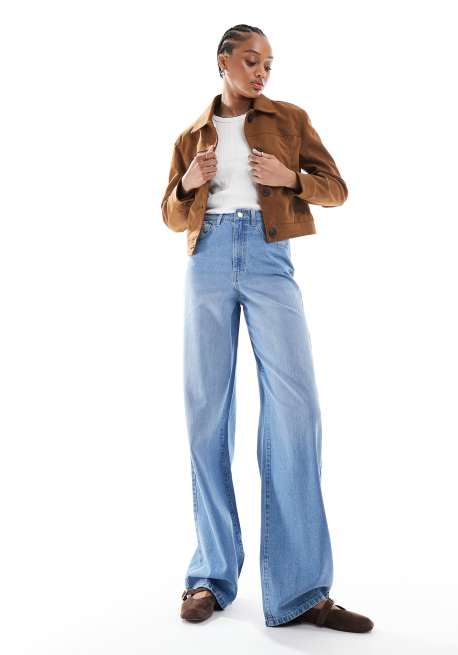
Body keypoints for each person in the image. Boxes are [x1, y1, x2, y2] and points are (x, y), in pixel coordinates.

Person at [161, 23, 374, 632]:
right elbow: (170, 214)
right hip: (206, 259)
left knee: (296, 410)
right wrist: (188, 183)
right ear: (223, 61)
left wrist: (291, 179)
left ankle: (300, 592)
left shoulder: (290, 119)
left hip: (267, 255)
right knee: (207, 412)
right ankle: (209, 576)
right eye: (251, 60)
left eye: (268, 65)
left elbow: (337, 189)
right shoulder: (191, 135)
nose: (261, 72)